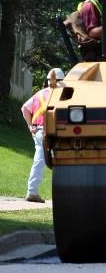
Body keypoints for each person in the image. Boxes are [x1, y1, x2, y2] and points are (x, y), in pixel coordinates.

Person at [21, 68, 65, 203]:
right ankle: (36, 192)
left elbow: (24, 108)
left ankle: (33, 191)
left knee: (39, 160)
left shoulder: (39, 94)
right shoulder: (60, 95)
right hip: (53, 132)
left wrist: (30, 126)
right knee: (61, 160)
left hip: (38, 131)